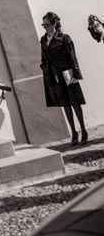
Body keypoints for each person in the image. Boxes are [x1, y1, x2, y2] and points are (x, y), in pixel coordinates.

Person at [40, 11, 88, 144]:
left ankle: (83, 130)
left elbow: (72, 56)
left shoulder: (64, 38)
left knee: (75, 102)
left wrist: (76, 72)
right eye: (43, 25)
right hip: (54, 75)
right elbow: (43, 58)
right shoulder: (43, 40)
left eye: (47, 25)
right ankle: (74, 132)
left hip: (68, 73)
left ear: (54, 24)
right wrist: (45, 69)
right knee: (65, 104)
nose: (45, 27)